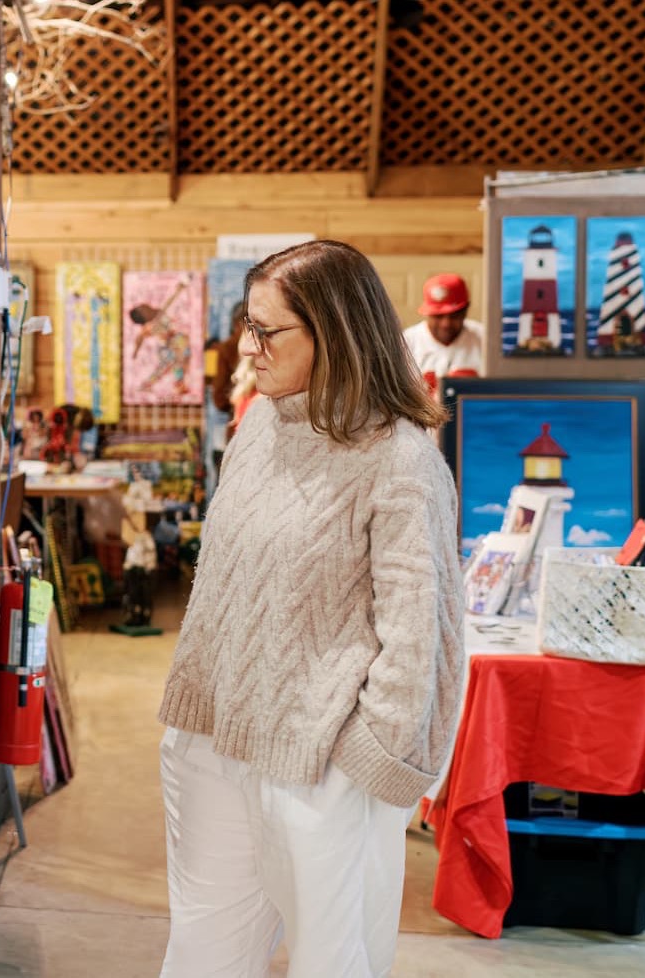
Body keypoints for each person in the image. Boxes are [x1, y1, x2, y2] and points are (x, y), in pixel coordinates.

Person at [158, 240, 466, 977]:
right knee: (203, 948)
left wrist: (366, 764)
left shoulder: (399, 460)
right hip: (212, 736)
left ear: (335, 332)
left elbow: (422, 636)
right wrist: (191, 710)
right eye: (246, 324)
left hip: (316, 762)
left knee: (330, 961)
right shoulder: (261, 424)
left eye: (267, 331)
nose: (247, 347)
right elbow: (226, 584)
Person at [402, 273, 485, 381]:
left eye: (454, 315)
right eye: (438, 316)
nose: (446, 324)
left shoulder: (485, 338)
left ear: (465, 310)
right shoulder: (406, 342)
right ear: (428, 314)